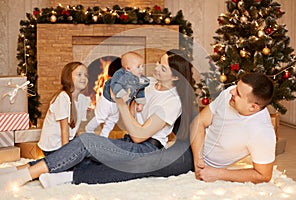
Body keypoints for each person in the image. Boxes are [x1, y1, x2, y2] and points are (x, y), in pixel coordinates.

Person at [0, 49, 195, 190]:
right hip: (129, 142)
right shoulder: (149, 84)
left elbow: (139, 136)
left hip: (145, 151)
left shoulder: (172, 102)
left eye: (163, 66)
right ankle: (20, 168)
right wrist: (126, 99)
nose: (157, 67)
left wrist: (120, 103)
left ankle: (24, 176)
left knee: (86, 141)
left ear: (176, 76)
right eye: (159, 62)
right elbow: (131, 111)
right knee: (81, 153)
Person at [0, 62, 90, 173]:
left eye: (86, 75)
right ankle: (18, 170)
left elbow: (75, 128)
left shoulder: (82, 100)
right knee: (75, 165)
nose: (84, 78)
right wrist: (67, 155)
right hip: (54, 146)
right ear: (68, 77)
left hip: (66, 143)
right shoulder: (63, 97)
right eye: (79, 74)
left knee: (86, 157)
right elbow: (64, 129)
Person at [190, 72, 276, 183]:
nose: (231, 91)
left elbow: (263, 175)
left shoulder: (262, 132)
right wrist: (198, 161)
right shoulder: (229, 95)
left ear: (253, 107)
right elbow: (199, 122)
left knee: (161, 161)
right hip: (196, 143)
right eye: (236, 86)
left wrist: (218, 174)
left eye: (238, 93)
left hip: (201, 160)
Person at [85, 52, 150, 137]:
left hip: (117, 104)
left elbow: (140, 89)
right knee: (101, 117)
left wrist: (140, 102)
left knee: (112, 120)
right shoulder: (119, 75)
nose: (141, 69)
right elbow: (115, 85)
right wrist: (122, 95)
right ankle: (89, 129)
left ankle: (103, 136)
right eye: (138, 67)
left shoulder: (139, 78)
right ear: (128, 68)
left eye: (142, 66)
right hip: (107, 101)